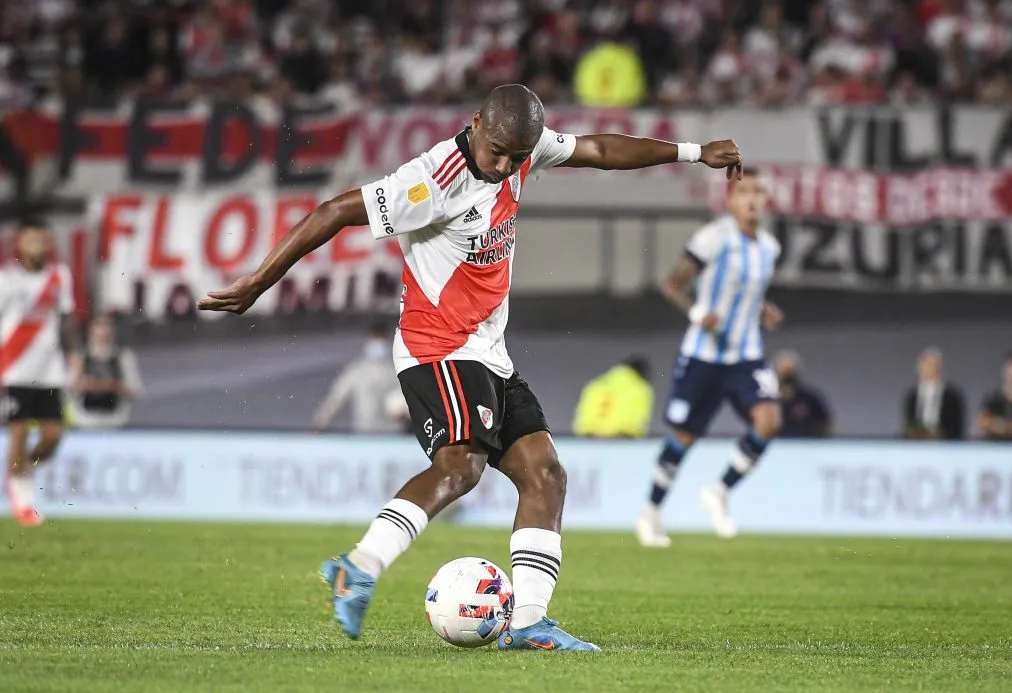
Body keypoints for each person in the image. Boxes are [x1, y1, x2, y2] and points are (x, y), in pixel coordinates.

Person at [198, 84, 743, 651]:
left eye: (517, 156)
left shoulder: (522, 148)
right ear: (477, 123)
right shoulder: (432, 180)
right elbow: (335, 211)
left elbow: (599, 151)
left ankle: (528, 623)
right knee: (462, 468)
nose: (506, 165)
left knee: (545, 475)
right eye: (499, 152)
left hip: (487, 352)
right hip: (437, 346)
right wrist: (259, 282)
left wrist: (693, 151)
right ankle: (356, 566)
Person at [635, 169, 782, 547]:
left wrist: (762, 309)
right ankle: (650, 513)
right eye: (744, 192)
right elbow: (673, 284)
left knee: (768, 420)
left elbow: (747, 290)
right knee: (685, 437)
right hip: (704, 355)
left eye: (758, 192)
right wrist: (699, 314)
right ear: (730, 200)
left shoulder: (769, 247)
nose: (752, 199)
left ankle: (719, 490)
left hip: (746, 355)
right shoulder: (713, 238)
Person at [0, 219, 78, 527]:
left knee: (52, 437)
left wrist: (75, 355)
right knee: (18, 433)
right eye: (29, 239)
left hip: (50, 370)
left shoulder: (60, 276)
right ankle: (22, 501)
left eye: (40, 239)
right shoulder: (7, 279)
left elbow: (67, 318)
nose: (35, 245)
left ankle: (21, 473)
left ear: (48, 243)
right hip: (16, 368)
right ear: (20, 244)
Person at [312, 322, 407, 434]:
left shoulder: (398, 370)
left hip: (394, 438)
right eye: (375, 338)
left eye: (381, 338)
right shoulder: (357, 370)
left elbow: (412, 400)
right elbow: (337, 397)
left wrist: (407, 415)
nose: (378, 343)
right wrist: (320, 422)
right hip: (364, 436)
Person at [67, 314, 143, 430]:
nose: (104, 331)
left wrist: (115, 386)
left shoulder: (124, 357)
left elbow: (136, 392)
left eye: (108, 325)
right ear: (90, 329)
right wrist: (89, 385)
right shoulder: (80, 357)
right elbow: (68, 390)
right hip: (86, 422)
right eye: (99, 325)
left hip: (115, 422)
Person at [571, 355, 654, 438]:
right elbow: (638, 424)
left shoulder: (595, 385)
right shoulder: (640, 388)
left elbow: (581, 419)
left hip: (588, 438)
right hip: (620, 439)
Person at [901, 347, 965, 441]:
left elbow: (958, 427)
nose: (927, 368)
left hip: (945, 447)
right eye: (924, 365)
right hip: (916, 447)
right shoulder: (912, 395)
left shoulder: (952, 396)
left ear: (939, 367)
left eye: (931, 365)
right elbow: (908, 424)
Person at [774, 350, 833, 439]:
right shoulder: (769, 399)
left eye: (790, 372)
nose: (787, 375)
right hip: (775, 447)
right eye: (784, 371)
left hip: (805, 446)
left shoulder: (810, 398)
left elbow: (824, 425)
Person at [977, 352, 1012, 442]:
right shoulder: (993, 398)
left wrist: (999, 425)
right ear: (1005, 370)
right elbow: (983, 424)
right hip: (996, 448)